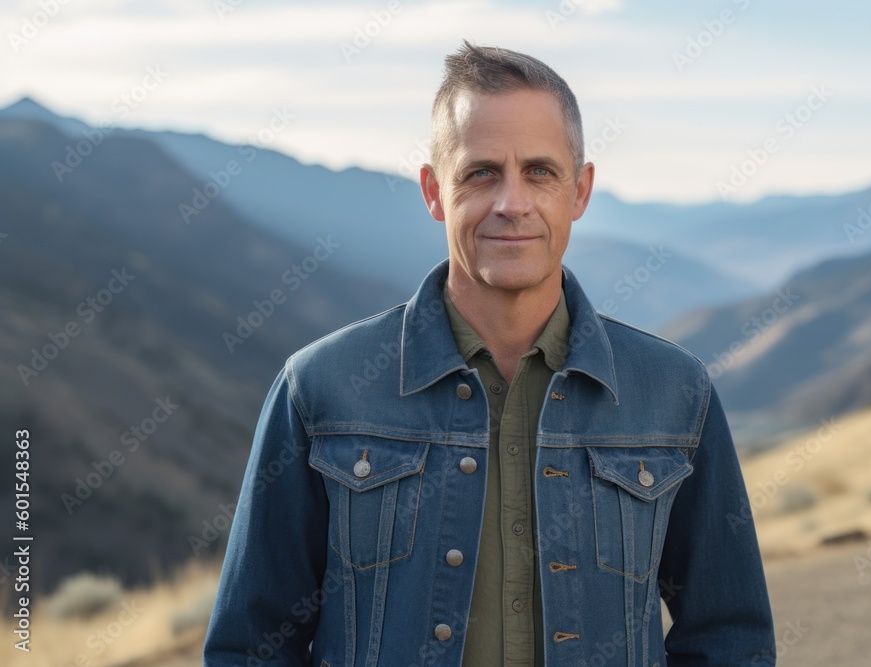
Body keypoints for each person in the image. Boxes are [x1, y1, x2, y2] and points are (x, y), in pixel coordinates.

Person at [203, 39, 776, 666]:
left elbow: (730, 639)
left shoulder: (674, 394)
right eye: (481, 173)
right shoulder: (319, 390)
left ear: (579, 191)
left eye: (539, 171)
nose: (512, 203)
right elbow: (251, 647)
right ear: (433, 191)